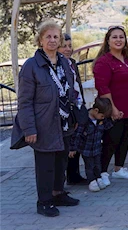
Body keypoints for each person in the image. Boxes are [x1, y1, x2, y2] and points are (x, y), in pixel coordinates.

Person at [11, 20, 81, 217]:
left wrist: (74, 115)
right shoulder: (31, 66)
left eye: (55, 36)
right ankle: (44, 201)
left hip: (64, 123)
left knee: (61, 162)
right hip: (43, 124)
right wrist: (29, 129)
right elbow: (24, 101)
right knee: (45, 166)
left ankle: (58, 193)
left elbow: (70, 91)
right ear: (40, 40)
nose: (52, 40)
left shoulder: (64, 62)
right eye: (48, 36)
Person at [93, 26, 128, 184]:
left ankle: (119, 168)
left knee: (125, 138)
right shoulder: (103, 62)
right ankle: (101, 172)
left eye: (121, 37)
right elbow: (103, 87)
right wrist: (113, 109)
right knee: (110, 141)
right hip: (114, 109)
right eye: (115, 37)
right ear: (108, 40)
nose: (118, 40)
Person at [70, 97, 114, 192]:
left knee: (98, 165)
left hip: (97, 148)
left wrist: (113, 120)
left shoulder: (101, 120)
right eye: (102, 116)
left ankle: (98, 178)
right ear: (96, 111)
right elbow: (77, 135)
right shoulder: (84, 120)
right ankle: (92, 181)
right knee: (89, 166)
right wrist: (72, 148)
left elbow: (107, 126)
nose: (103, 119)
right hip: (86, 149)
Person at [60, 33, 88, 185]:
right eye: (64, 46)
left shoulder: (72, 62)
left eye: (70, 46)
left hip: (78, 105)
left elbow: (77, 85)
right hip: (67, 109)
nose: (68, 49)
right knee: (68, 143)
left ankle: (74, 174)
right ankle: (66, 176)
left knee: (78, 139)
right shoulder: (57, 65)